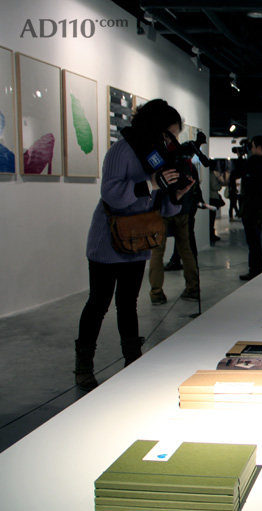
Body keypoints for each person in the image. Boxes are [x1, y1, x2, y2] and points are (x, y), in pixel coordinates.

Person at [73, 99, 194, 391]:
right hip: (108, 242)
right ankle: (83, 365)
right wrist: (151, 184)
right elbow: (112, 194)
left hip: (139, 241)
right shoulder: (122, 151)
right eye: (170, 134)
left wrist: (176, 195)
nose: (172, 141)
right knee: (98, 303)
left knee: (128, 304)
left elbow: (162, 206)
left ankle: (133, 359)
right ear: (155, 127)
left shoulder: (158, 155)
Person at [147, 159, 201, 305]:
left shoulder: (162, 163)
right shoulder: (188, 166)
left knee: (157, 251)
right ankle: (193, 287)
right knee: (185, 249)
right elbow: (194, 189)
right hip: (182, 210)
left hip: (162, 210)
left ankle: (156, 293)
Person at [237, 135, 262, 281]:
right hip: (258, 205)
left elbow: (238, 172)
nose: (250, 150)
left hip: (250, 206)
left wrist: (241, 157)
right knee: (255, 239)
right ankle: (256, 269)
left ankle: (255, 270)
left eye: (251, 147)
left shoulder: (253, 162)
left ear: (259, 148)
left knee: (252, 240)